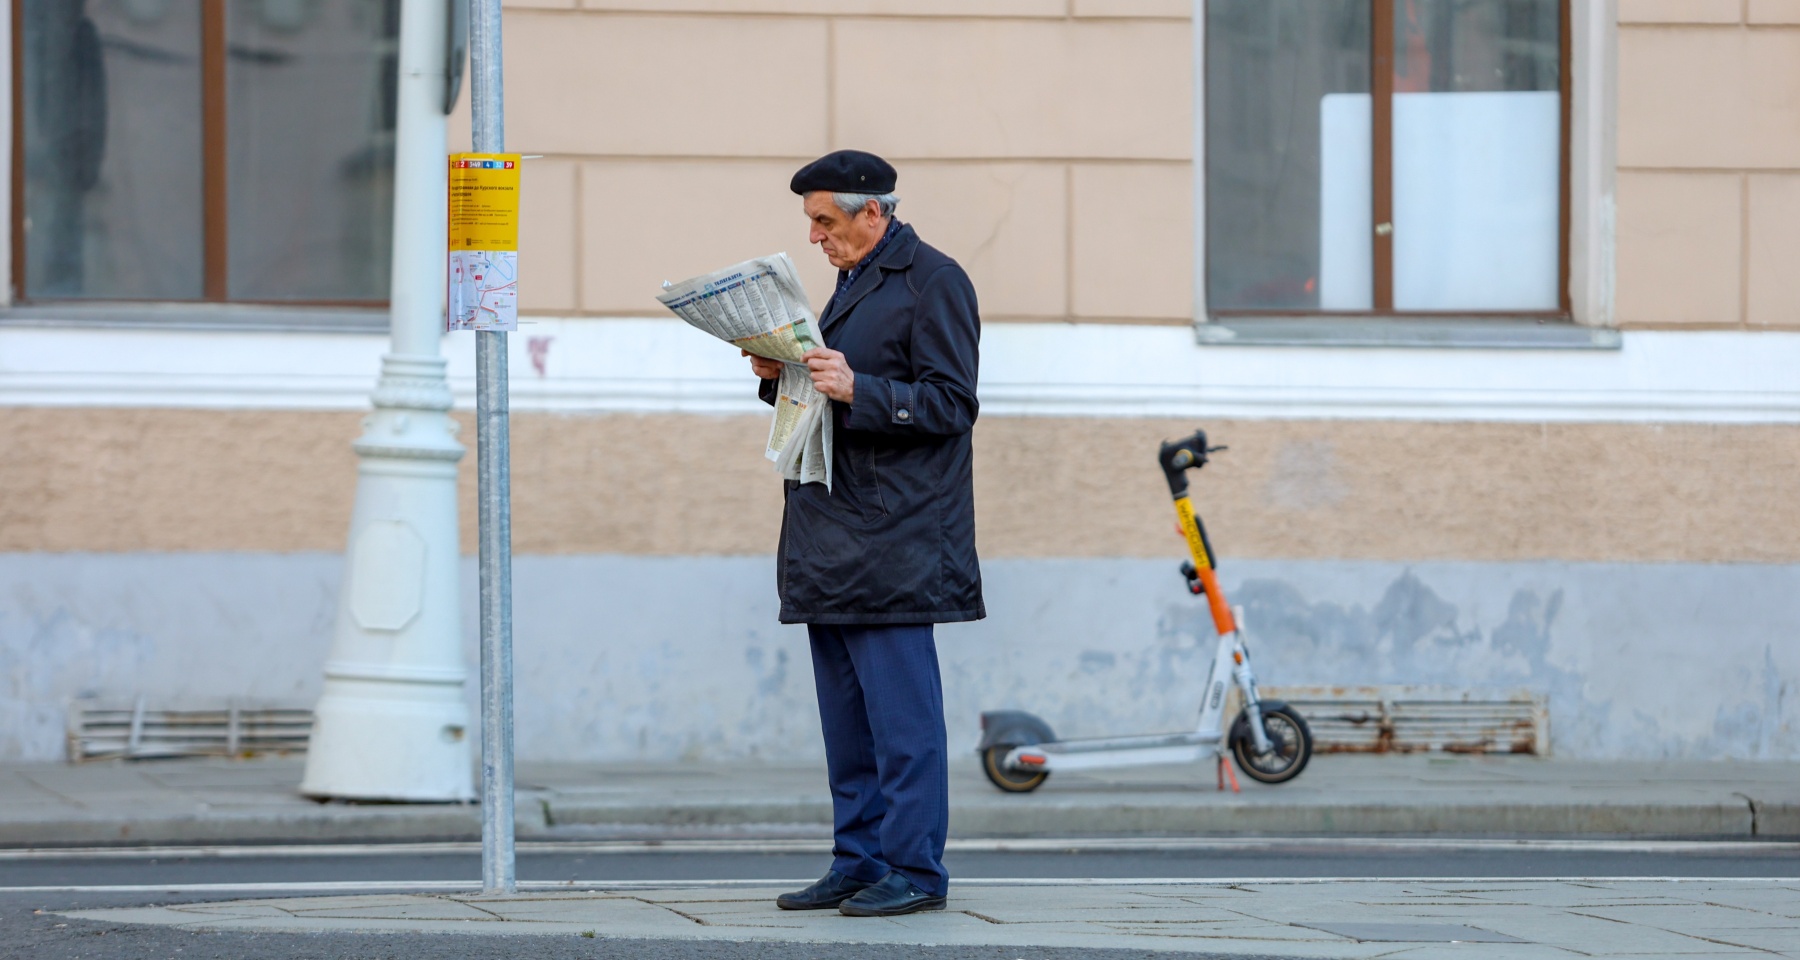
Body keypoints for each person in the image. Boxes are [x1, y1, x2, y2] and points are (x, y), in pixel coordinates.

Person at [744, 150, 982, 918]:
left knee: (903, 727)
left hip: (898, 541)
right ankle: (859, 860)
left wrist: (863, 389)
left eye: (825, 220)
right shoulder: (854, 281)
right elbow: (831, 391)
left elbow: (952, 404)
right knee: (848, 727)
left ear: (872, 212)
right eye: (810, 222)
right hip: (834, 536)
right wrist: (777, 373)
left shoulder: (935, 281)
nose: (815, 236)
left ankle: (916, 872)